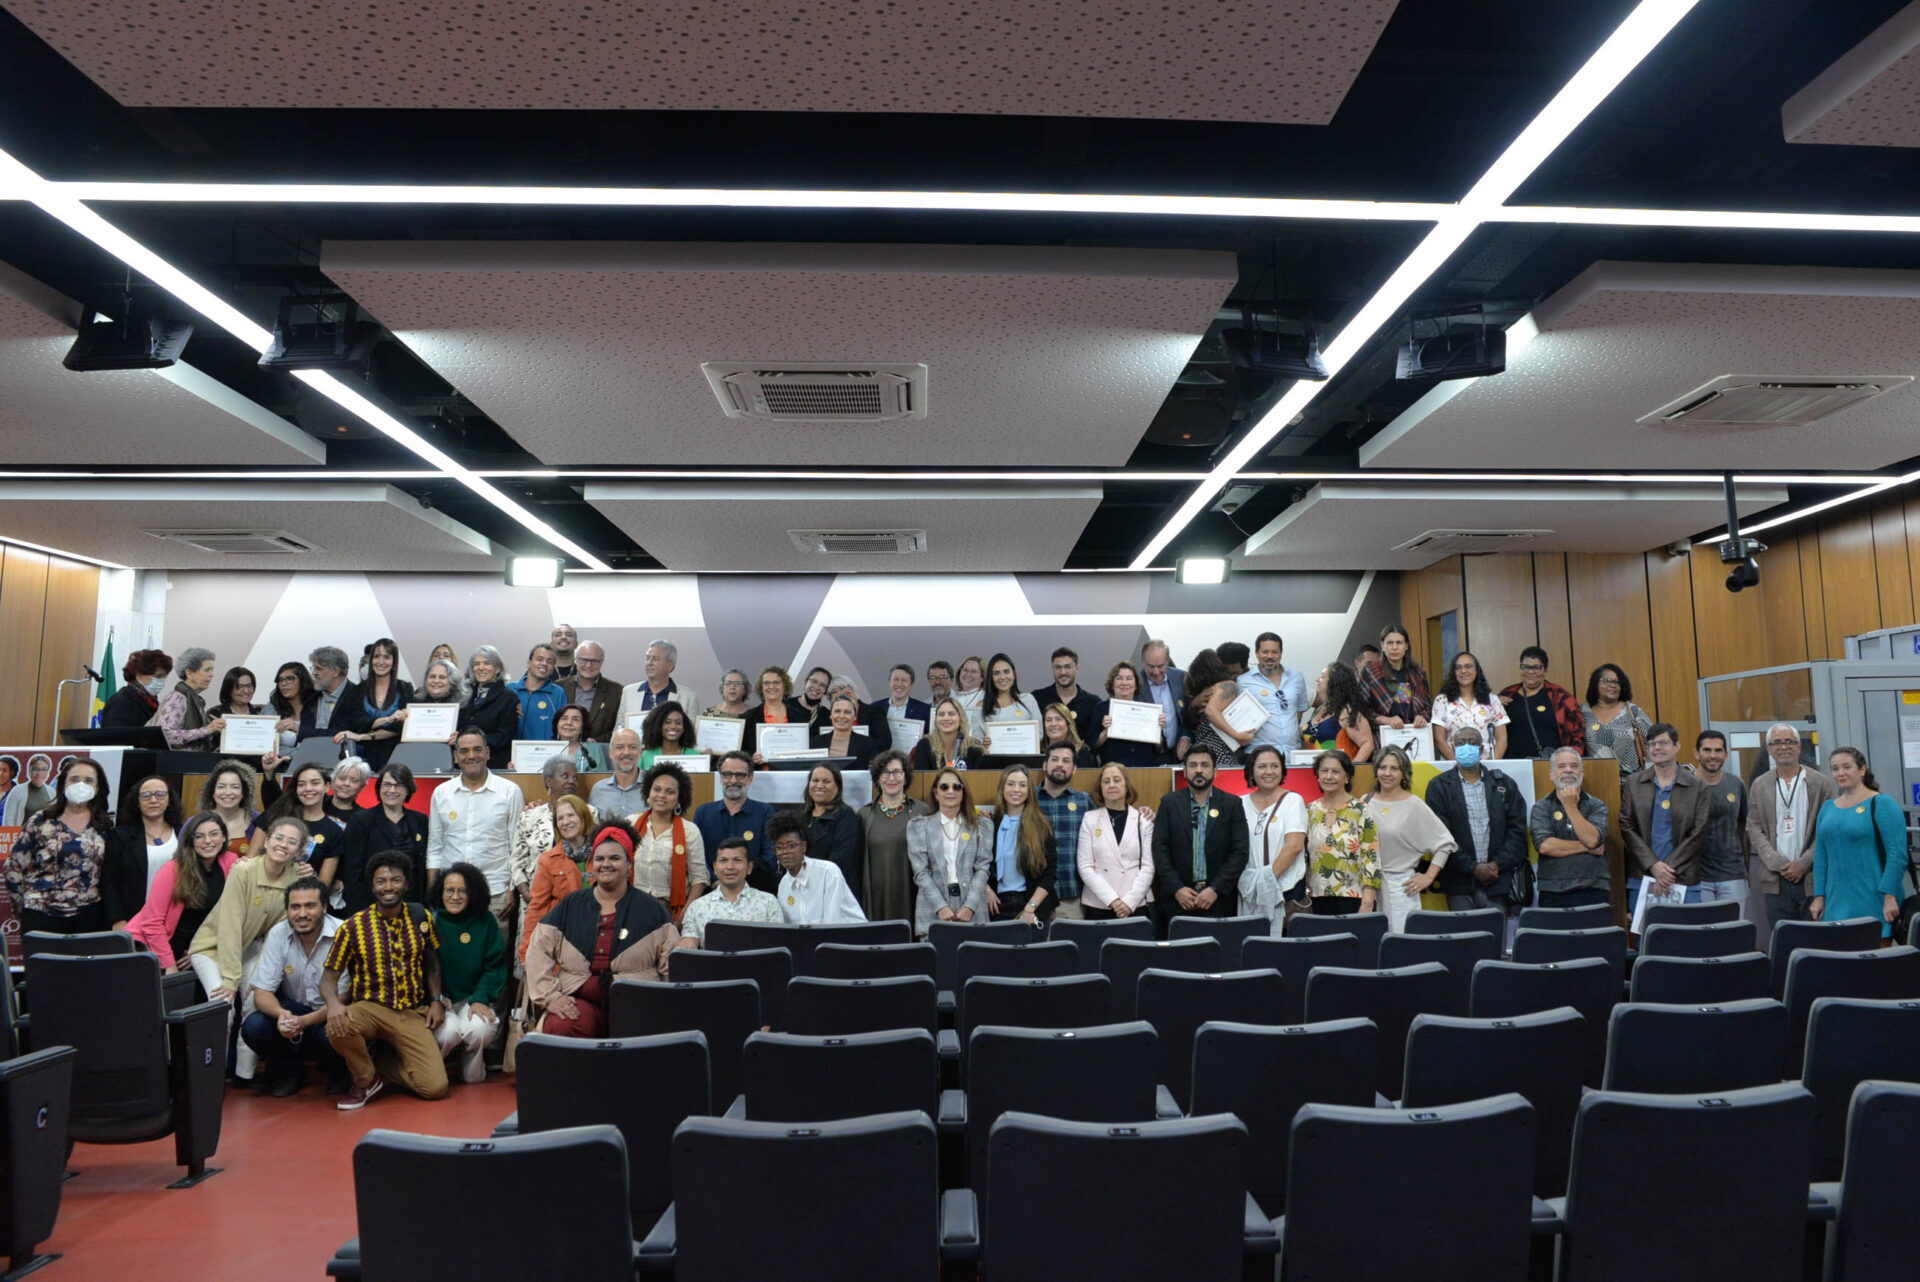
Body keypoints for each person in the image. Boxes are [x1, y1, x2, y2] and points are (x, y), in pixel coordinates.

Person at [525, 822, 679, 1037]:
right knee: (564, 1025)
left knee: (643, 1027)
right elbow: (538, 951)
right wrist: (552, 997)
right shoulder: (572, 904)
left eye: (615, 858)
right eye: (600, 859)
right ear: (592, 865)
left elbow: (672, 963)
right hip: (578, 996)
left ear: (629, 866)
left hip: (637, 998)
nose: (606, 864)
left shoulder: (652, 909)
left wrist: (663, 1005)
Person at [322, 850, 449, 1109]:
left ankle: (383, 1063)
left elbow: (433, 964)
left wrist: (436, 1000)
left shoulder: (421, 917)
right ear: (372, 885)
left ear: (406, 883)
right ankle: (367, 1079)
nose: (388, 887)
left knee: (435, 1088)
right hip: (370, 1009)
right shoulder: (352, 926)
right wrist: (334, 1005)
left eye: (395, 880)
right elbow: (328, 979)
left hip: (412, 1012)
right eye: (381, 881)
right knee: (336, 1025)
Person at [189, 815, 312, 1080]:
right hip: (213, 947)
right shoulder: (243, 870)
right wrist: (232, 979)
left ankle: (243, 1077)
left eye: (291, 842)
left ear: (298, 850)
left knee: (254, 1004)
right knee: (223, 1006)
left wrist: (259, 978)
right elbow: (230, 926)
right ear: (266, 841)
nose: (283, 845)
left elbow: (276, 934)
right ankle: (211, 1079)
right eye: (278, 838)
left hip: (252, 949)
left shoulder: (294, 879)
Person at [241, 876, 347, 1096]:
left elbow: (345, 998)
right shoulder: (278, 933)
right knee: (253, 1026)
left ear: (325, 907)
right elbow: (262, 992)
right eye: (295, 907)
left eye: (310, 906)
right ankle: (291, 1073)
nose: (302, 914)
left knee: (333, 1031)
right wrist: (282, 1014)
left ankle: (340, 1074)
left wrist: (304, 1022)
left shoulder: (344, 932)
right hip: (295, 1011)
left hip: (332, 1013)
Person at [1427, 727, 1529, 938]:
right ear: (1453, 748)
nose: (1466, 746)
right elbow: (1440, 837)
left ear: (1481, 748)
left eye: (1471, 742)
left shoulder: (1504, 784)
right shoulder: (1439, 787)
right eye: (1461, 742)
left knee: (1494, 945)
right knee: (1463, 947)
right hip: (1459, 883)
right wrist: (1473, 868)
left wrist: (1495, 865)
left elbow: (1517, 833)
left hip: (1496, 881)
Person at [426, 726, 526, 937]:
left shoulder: (509, 791)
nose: (471, 756)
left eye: (477, 749)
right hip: (450, 893)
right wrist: (434, 892)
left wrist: (511, 889)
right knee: (451, 958)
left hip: (496, 891)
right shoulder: (441, 793)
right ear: (455, 756)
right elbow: (435, 846)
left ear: (488, 753)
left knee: (494, 958)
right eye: (464, 751)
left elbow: (517, 846)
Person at [5, 756, 113, 935]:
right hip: (41, 914)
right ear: (63, 784)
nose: (81, 784)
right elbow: (14, 868)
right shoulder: (41, 819)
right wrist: (23, 909)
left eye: (88, 780)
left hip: (90, 916)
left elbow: (110, 875)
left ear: (97, 787)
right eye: (74, 779)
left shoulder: (104, 825)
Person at [1809, 746, 1906, 939]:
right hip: (1835, 901)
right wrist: (1819, 896)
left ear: (1862, 770)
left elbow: (1897, 855)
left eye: (1847, 767)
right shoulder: (1827, 808)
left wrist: (1890, 896)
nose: (1840, 773)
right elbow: (1821, 857)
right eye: (1835, 768)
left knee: (1874, 963)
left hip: (1874, 899)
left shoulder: (1882, 803)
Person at [1152, 742, 1250, 929]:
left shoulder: (1232, 804)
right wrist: (1177, 889)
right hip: (1178, 900)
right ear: (1185, 770)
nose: (1199, 770)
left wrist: (1215, 889)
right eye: (1193, 765)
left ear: (1215, 771)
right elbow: (1159, 849)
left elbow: (1240, 851)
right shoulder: (1169, 803)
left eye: (1204, 765)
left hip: (1218, 901)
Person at [1747, 724, 1834, 930]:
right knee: (1784, 940)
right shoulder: (1759, 785)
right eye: (1776, 743)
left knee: (1816, 940)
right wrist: (1777, 863)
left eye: (1789, 741)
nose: (1783, 747)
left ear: (1798, 747)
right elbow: (1754, 828)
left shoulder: (1821, 783)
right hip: (1775, 880)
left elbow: (1827, 830)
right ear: (1768, 749)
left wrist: (1803, 863)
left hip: (1812, 878)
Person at [429, 862, 508, 1084]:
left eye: (462, 890)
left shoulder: (485, 921)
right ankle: (435, 1071)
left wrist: (480, 998)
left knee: (479, 1029)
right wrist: (435, 997)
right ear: (440, 892)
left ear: (473, 893)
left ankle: (472, 1071)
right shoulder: (429, 920)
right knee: (448, 1033)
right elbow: (421, 967)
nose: (455, 896)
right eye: (449, 890)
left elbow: (495, 965)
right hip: (442, 1001)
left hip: (471, 999)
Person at [126, 813, 236, 971]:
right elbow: (152, 923)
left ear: (224, 837)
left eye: (214, 834)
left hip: (197, 944)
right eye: (199, 836)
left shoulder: (231, 862)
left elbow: (230, 916)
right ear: (190, 841)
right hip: (154, 944)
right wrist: (169, 965)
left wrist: (203, 949)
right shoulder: (172, 870)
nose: (208, 841)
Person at [1366, 744, 1457, 932]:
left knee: (1400, 948)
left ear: (1404, 773)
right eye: (1382, 767)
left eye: (1394, 768)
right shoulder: (1365, 800)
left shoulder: (1414, 805)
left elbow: (1445, 844)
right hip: (1366, 888)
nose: (1387, 773)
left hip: (1400, 889)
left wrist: (1429, 876)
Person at [1621, 722, 1710, 912]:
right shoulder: (1633, 783)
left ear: (1677, 747)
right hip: (1643, 877)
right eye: (1652, 744)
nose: (1657, 748)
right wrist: (1653, 866)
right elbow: (1626, 826)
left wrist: (1666, 870)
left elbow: (1699, 832)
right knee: (1645, 939)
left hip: (1684, 879)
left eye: (1664, 743)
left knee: (1684, 938)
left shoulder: (1697, 786)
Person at [337, 762, 430, 914]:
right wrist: (360, 912)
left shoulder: (420, 820)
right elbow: (352, 872)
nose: (392, 790)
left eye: (398, 785)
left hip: (412, 905)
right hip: (371, 905)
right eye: (386, 785)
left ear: (408, 790)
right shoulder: (361, 820)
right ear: (379, 788)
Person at [907, 768, 990, 937]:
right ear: (936, 793)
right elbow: (921, 872)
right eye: (944, 787)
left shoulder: (982, 826)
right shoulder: (918, 826)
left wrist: (970, 906)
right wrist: (940, 907)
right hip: (932, 911)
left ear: (963, 792)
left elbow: (983, 868)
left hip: (973, 912)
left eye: (957, 787)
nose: (951, 791)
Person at [1235, 745, 1308, 930]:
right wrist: (1253, 887)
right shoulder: (1239, 803)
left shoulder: (1293, 801)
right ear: (1251, 771)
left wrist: (1264, 883)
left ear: (1282, 771)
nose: (1269, 772)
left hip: (1286, 893)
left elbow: (1294, 846)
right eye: (1262, 766)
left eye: (1275, 766)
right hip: (1248, 893)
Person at [1530, 747, 1612, 910]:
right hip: (1553, 890)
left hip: (1593, 888)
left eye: (1574, 766)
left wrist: (1571, 807)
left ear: (1581, 773)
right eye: (1561, 766)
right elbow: (1546, 846)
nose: (1568, 770)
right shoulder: (1541, 807)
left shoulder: (1597, 805)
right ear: (1551, 775)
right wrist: (1587, 847)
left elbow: (1592, 839)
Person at [520, 794, 600, 959]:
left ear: (584, 817)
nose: (565, 822)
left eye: (571, 815)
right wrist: (527, 953)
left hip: (601, 938)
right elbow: (537, 908)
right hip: (564, 942)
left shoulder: (604, 854)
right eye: (560, 818)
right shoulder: (548, 860)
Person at [1304, 749, 1379, 916]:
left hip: (1354, 897)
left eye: (1336, 771)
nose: (1329, 776)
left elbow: (1371, 856)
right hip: (1318, 897)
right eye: (1324, 771)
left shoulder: (1361, 809)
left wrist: (1368, 900)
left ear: (1347, 777)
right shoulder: (1310, 810)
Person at [1078, 763, 1156, 921]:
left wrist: (1128, 902)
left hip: (1136, 903)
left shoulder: (1143, 820)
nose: (1111, 785)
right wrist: (1113, 900)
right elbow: (1085, 866)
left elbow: (1148, 867)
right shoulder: (1090, 819)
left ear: (1126, 785)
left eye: (1117, 780)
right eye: (1106, 781)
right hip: (1099, 904)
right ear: (1100, 787)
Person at [102, 775, 181, 928]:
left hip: (175, 918)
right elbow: (109, 881)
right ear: (137, 802)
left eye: (160, 794)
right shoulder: (121, 836)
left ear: (169, 799)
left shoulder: (182, 833)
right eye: (146, 795)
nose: (153, 800)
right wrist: (118, 920)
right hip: (134, 919)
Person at [632, 760, 709, 915]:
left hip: (671, 912)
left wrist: (682, 918)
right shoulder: (631, 824)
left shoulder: (690, 831)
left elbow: (699, 880)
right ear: (648, 793)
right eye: (657, 789)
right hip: (632, 907)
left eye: (670, 791)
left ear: (679, 799)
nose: (661, 795)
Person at [858, 751, 928, 922]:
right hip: (875, 895)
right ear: (877, 778)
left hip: (911, 893)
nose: (891, 778)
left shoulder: (922, 811)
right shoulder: (864, 814)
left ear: (905, 776)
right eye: (885, 772)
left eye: (897, 772)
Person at [984, 765, 1057, 926]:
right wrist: (986, 890)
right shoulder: (989, 825)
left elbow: (1050, 873)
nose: (1016, 789)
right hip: (996, 906)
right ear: (1002, 788)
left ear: (1029, 790)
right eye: (1010, 784)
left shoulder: (1042, 825)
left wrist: (1030, 908)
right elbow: (977, 864)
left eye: (1022, 785)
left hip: (1032, 904)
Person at [693, 751, 776, 891]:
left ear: (750, 778)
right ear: (720, 778)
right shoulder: (703, 813)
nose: (733, 780)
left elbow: (770, 857)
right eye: (727, 774)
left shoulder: (765, 812)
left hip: (754, 891)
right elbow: (697, 858)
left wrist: (738, 883)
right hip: (711, 891)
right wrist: (717, 882)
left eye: (739, 775)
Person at [676, 838, 783, 946]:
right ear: (715, 868)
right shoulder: (697, 907)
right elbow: (689, 942)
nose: (730, 867)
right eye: (723, 861)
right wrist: (687, 944)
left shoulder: (768, 903)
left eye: (737, 860)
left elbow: (778, 943)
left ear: (749, 867)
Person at [510, 754, 593, 894]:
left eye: (575, 778)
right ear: (549, 781)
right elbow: (517, 861)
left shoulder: (590, 813)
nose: (571, 781)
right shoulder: (529, 816)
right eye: (565, 776)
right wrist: (527, 894)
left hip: (578, 897)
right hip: (534, 898)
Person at [770, 809, 867, 925]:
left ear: (803, 847)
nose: (784, 852)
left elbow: (831, 922)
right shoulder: (784, 886)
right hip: (813, 940)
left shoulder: (828, 872)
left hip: (849, 938)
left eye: (791, 846)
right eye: (779, 848)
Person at [253, 764, 346, 883]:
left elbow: (324, 884)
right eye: (301, 784)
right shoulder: (276, 813)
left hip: (301, 896)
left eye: (315, 783)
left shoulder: (334, 831)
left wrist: (311, 876)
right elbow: (251, 859)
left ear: (327, 787)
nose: (308, 788)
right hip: (263, 889)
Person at [1030, 740, 1092, 917]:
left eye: (1066, 761)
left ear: (1074, 769)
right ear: (1045, 765)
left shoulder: (1084, 801)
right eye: (1055, 759)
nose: (1059, 764)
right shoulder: (1028, 799)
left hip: (1070, 895)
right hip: (1031, 895)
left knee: (1069, 945)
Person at [1693, 731, 1750, 910]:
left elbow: (1743, 827)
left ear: (1725, 754)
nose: (1713, 755)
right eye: (1707, 750)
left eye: (1718, 750)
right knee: (1703, 934)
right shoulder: (1684, 785)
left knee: (1732, 934)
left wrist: (1744, 868)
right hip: (1696, 877)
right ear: (1697, 753)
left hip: (1733, 875)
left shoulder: (1736, 784)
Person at [334, 638, 410, 769]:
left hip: (395, 755)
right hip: (361, 759)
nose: (381, 662)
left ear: (394, 662)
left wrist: (362, 736)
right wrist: (388, 719)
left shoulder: (405, 688)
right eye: (376, 656)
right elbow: (357, 723)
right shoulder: (356, 691)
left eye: (387, 657)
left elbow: (401, 728)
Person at [1499, 646, 1587, 760]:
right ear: (1520, 669)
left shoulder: (1561, 697)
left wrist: (1571, 761)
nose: (1531, 672)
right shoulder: (1507, 695)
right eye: (1526, 667)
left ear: (1545, 670)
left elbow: (1578, 733)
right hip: (1514, 766)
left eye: (1536, 667)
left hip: (1551, 766)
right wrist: (1493, 706)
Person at [800, 763, 864, 900]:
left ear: (837, 787)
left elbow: (841, 862)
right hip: (804, 891)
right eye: (815, 780)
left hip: (833, 893)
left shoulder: (845, 816)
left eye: (826, 781)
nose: (819, 785)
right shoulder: (803, 817)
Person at [1431, 651, 1508, 762]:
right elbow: (1439, 739)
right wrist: (1457, 766)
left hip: (1486, 766)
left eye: (1468, 666)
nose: (1463, 671)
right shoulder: (1442, 700)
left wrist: (1493, 763)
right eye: (1458, 667)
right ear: (1454, 672)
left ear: (1477, 670)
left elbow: (1502, 738)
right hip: (1453, 766)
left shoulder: (1492, 700)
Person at [1240, 632, 1309, 754]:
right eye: (1265, 652)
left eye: (1275, 652)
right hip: (1258, 753)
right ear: (1257, 653)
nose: (1269, 656)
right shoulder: (1243, 681)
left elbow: (1298, 711)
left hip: (1291, 752)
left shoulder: (1296, 677)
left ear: (1281, 654)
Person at [1580, 664, 1653, 774]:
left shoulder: (1633, 711)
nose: (1613, 685)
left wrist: (1650, 776)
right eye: (1608, 681)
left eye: (1617, 683)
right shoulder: (1583, 713)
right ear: (1596, 683)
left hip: (1633, 783)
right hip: (1595, 781)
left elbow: (1653, 742)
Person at [1357, 624, 1431, 731]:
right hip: (1382, 736)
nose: (1395, 647)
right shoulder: (1371, 672)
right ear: (1383, 646)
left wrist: (1422, 717)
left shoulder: (1418, 673)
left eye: (1399, 643)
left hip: (1414, 733)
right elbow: (1361, 709)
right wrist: (1384, 719)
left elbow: (1427, 707)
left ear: (1406, 646)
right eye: (1390, 643)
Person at [1093, 661, 1164, 768]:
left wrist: (1158, 730)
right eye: (1119, 678)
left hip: (1144, 772)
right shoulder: (1101, 709)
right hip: (1113, 773)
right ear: (1112, 684)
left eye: (1129, 678)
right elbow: (1093, 746)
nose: (1124, 683)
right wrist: (1106, 731)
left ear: (1136, 685)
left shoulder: (1148, 711)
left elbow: (1160, 749)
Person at [153, 647, 227, 750]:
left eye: (212, 670)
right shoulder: (177, 698)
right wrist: (206, 730)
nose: (211, 675)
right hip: (178, 763)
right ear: (189, 673)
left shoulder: (195, 700)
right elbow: (165, 734)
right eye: (207, 670)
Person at [460, 646, 520, 769]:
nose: (481, 668)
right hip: (465, 764)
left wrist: (471, 740)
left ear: (498, 668)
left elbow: (503, 737)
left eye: (487, 663)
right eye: (476, 664)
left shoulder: (509, 698)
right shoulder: (464, 694)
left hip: (494, 764)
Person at [297, 645, 371, 744]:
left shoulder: (357, 696)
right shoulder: (310, 696)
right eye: (313, 668)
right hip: (307, 753)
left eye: (319, 669)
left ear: (336, 671)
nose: (314, 673)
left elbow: (344, 732)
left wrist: (300, 730)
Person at [615, 639, 692, 729]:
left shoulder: (688, 697)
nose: (649, 663)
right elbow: (618, 729)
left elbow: (690, 737)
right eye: (647, 658)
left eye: (655, 659)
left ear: (670, 665)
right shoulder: (628, 692)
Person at [560, 640, 620, 743]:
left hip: (599, 753)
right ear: (575, 660)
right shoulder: (559, 687)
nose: (588, 665)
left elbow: (620, 728)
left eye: (594, 661)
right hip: (563, 750)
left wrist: (596, 742)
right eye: (583, 660)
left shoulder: (617, 692)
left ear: (602, 662)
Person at [198, 759, 261, 856]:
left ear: (244, 792)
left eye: (235, 787)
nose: (228, 792)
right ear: (212, 791)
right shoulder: (196, 822)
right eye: (221, 786)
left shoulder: (257, 820)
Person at [1141, 640, 1189, 763]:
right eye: (1151, 667)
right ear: (1143, 662)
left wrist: (1185, 736)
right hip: (1148, 758)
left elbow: (1189, 715)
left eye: (1161, 666)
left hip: (1179, 757)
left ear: (1167, 661)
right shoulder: (1135, 683)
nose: (1156, 672)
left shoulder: (1182, 678)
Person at [98, 648, 172, 728]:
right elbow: (115, 736)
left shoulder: (151, 702)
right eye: (158, 676)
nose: (162, 680)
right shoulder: (121, 702)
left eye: (164, 676)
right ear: (139, 675)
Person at [1039, 647, 1101, 741]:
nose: (1063, 672)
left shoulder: (1093, 702)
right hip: (1047, 755)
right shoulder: (1037, 698)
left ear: (1077, 668)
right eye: (1058, 667)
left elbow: (1096, 741)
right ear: (1052, 669)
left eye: (1068, 667)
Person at [981, 653, 1042, 747]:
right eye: (996, 673)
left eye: (1006, 671)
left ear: (1013, 674)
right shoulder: (982, 705)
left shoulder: (1028, 700)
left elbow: (1039, 734)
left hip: (1026, 760)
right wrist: (983, 742)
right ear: (991, 677)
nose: (1002, 677)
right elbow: (976, 740)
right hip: (993, 761)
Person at [1187, 676, 1248, 770]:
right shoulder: (1223, 690)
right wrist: (1237, 735)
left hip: (1211, 759)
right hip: (1219, 759)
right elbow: (1210, 712)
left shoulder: (1197, 704)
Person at [743, 666, 805, 757]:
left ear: (784, 686)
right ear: (762, 687)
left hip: (791, 769)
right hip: (761, 770)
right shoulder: (749, 717)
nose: (771, 686)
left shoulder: (800, 716)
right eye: (766, 683)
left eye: (776, 683)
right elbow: (742, 750)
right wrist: (751, 757)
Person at [589, 728, 649, 822]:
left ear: (641, 753)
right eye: (620, 747)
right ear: (610, 753)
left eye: (632, 747)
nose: (626, 752)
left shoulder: (653, 787)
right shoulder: (598, 790)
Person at [910, 697, 986, 771]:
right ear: (936, 720)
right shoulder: (925, 745)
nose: (946, 718)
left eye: (951, 714)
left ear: (960, 718)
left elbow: (979, 779)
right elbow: (922, 779)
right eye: (941, 714)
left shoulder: (975, 746)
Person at [509, 643, 563, 742]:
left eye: (549, 661)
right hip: (510, 753)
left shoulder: (558, 693)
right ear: (529, 663)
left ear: (553, 668)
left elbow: (563, 728)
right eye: (539, 659)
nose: (544, 664)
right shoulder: (510, 689)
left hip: (546, 754)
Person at [810, 692, 877, 769]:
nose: (841, 716)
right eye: (837, 711)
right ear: (831, 715)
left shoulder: (867, 744)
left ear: (855, 717)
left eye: (847, 712)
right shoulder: (817, 742)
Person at [268, 661, 316, 764]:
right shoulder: (272, 708)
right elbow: (266, 745)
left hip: (314, 764)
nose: (283, 684)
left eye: (289, 679)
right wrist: (297, 753)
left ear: (302, 680)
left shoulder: (318, 705)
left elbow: (320, 740)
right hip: (280, 765)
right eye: (280, 680)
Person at [867, 664, 930, 730]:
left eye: (904, 680)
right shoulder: (874, 708)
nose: (899, 684)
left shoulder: (925, 711)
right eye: (896, 679)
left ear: (911, 685)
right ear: (889, 683)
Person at [639, 702, 701, 769]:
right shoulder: (646, 755)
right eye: (667, 722)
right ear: (658, 725)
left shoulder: (694, 755)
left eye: (678, 723)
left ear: (684, 727)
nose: (673, 726)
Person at [0, 754, 54, 828]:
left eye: (44, 769)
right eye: (35, 769)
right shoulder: (17, 791)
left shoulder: (52, 793)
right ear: (29, 770)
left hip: (44, 837)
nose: (39, 773)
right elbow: (9, 820)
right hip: (21, 837)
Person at [552, 705, 610, 772]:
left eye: (575, 719)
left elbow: (599, 778)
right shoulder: (548, 748)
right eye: (564, 718)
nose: (569, 723)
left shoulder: (593, 748)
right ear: (557, 724)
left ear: (583, 726)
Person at [1041, 703, 1099, 769]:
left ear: (1068, 723)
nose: (1053, 724)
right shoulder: (1038, 752)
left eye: (1058, 719)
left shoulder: (1082, 753)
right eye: (1048, 720)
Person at [328, 757, 370, 824]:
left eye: (354, 781)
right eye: (342, 778)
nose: (346, 784)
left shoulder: (364, 818)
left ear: (362, 786)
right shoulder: (317, 803)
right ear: (333, 779)